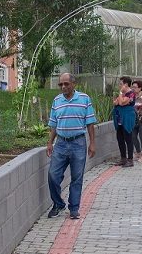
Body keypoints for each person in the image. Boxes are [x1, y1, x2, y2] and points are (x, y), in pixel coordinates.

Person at [46, 73, 96, 220]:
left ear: (74, 84)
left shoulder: (84, 99)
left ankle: (74, 208)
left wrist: (92, 143)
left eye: (66, 84)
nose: (63, 87)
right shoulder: (57, 100)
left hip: (78, 143)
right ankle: (58, 204)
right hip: (61, 143)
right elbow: (54, 124)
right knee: (53, 175)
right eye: (61, 84)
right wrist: (50, 142)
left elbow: (90, 123)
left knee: (77, 177)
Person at [113, 76, 136, 167]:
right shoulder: (123, 94)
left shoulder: (131, 94)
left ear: (126, 84)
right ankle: (123, 158)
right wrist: (120, 98)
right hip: (119, 119)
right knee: (120, 139)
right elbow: (115, 102)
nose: (119, 85)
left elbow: (121, 102)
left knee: (128, 139)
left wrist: (120, 94)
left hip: (127, 119)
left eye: (121, 84)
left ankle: (130, 160)